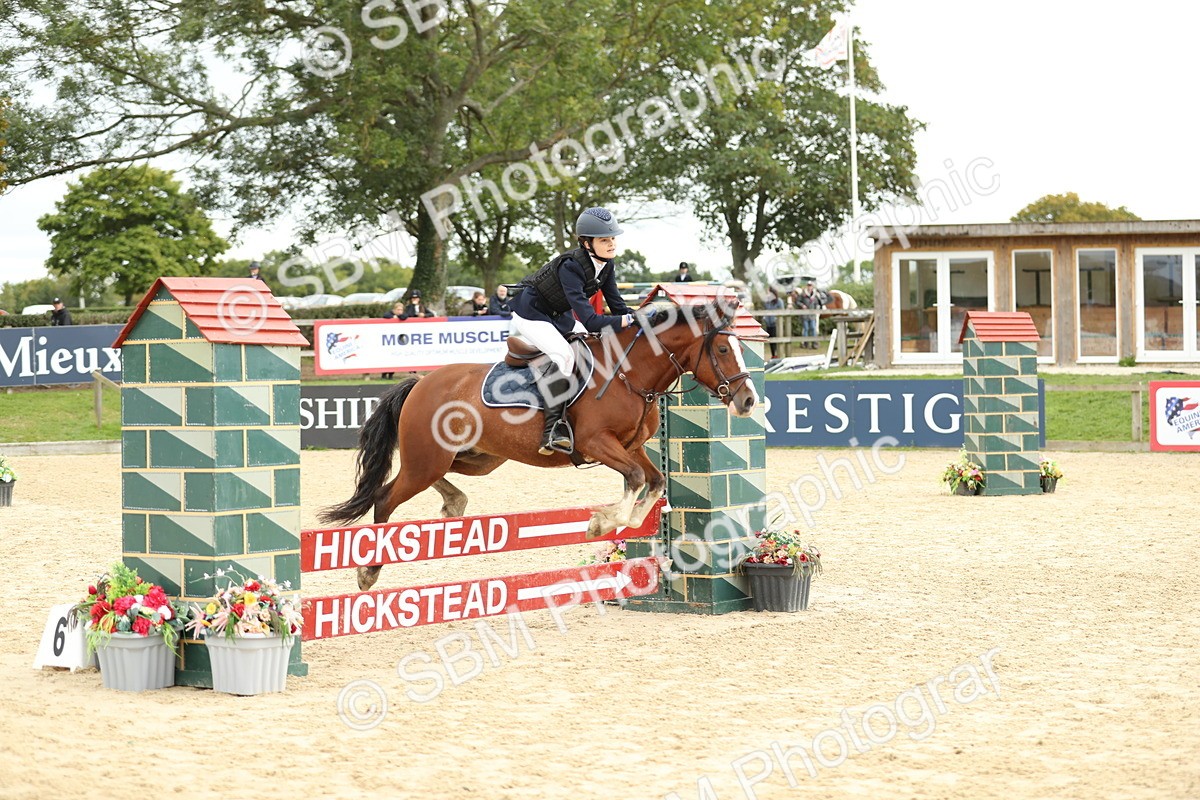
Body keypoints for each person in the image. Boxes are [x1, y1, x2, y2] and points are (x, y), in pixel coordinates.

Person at [511, 206, 635, 455]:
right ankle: (553, 429)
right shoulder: (571, 266)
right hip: (530, 312)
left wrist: (638, 319)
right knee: (564, 357)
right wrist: (625, 322)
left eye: (612, 238)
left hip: (557, 314)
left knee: (590, 345)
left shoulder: (606, 265)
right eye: (604, 240)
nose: (611, 244)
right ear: (587, 243)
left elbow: (618, 305)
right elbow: (590, 320)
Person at [796, 281, 824, 346]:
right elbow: (798, 301)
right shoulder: (802, 294)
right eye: (808, 285)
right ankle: (805, 343)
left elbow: (818, 303)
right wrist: (802, 305)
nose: (809, 287)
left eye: (810, 285)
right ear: (807, 286)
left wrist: (816, 309)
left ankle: (814, 343)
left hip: (812, 315)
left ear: (812, 286)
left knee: (813, 328)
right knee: (806, 328)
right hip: (805, 315)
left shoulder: (815, 295)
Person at [761, 290, 783, 359]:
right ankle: (773, 354)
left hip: (776, 324)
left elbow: (782, 310)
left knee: (776, 339)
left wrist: (775, 318)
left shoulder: (779, 301)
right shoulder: (767, 301)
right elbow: (766, 309)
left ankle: (777, 354)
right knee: (770, 340)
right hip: (768, 323)